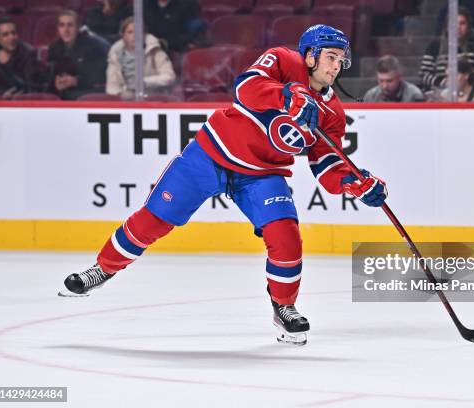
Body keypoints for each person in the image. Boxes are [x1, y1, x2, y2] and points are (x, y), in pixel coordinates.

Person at [58, 25, 388, 346]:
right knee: (153, 220)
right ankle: (102, 269)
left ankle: (284, 307)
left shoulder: (331, 112)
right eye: (330, 56)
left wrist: (354, 183)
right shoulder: (283, 61)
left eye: (341, 59)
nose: (336, 65)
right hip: (210, 155)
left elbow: (326, 162)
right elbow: (245, 87)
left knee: (286, 236)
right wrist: (286, 94)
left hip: (262, 174)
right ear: (311, 55)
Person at [106, 17, 176, 99]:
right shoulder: (115, 54)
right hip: (125, 102)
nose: (135, 36)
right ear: (123, 35)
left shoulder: (155, 52)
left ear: (145, 35)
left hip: (153, 100)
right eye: (130, 32)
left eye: (139, 32)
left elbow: (169, 77)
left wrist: (144, 82)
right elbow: (112, 86)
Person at [47, 10, 109, 100]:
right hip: (65, 90)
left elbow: (99, 77)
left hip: (89, 91)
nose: (66, 30)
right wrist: (57, 82)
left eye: (70, 25)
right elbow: (52, 75)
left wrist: (76, 81)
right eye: (62, 25)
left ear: (78, 27)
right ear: (58, 28)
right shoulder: (54, 47)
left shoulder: (92, 45)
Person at [419, 6, 474, 93]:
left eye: (462, 23)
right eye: (453, 23)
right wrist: (445, 83)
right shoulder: (435, 45)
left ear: (468, 26)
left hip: (469, 94)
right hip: (439, 93)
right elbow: (423, 75)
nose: (458, 27)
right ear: (447, 26)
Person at [0, 16, 45, 98]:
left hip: (20, 102)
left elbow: (30, 88)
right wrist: (0, 96)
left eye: (14, 33)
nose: (12, 37)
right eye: (6, 34)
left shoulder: (28, 54)